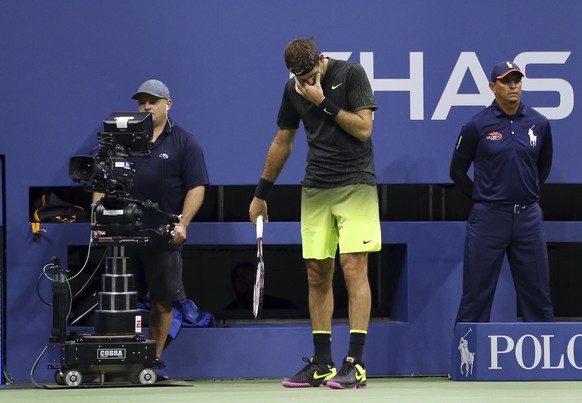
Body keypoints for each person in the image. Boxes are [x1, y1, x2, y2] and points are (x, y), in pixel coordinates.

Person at [248, 38, 381, 389]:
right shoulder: (292, 89)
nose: (306, 83)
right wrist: (261, 194)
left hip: (356, 183)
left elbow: (364, 129)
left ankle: (356, 363)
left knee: (353, 267)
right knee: (316, 273)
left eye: (311, 75)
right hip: (316, 189)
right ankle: (322, 362)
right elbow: (283, 141)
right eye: (300, 78)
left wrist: (322, 101)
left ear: (321, 61)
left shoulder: (351, 74)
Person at [94, 79, 209, 380]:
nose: (145, 107)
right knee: (121, 301)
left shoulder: (185, 142)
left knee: (162, 302)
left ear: (167, 104)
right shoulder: (119, 141)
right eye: (142, 102)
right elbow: (100, 183)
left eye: (152, 101)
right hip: (122, 236)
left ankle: (151, 363)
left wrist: (183, 223)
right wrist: (98, 218)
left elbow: (197, 187)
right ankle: (117, 364)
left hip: (163, 236)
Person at [450, 61, 555, 323]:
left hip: (528, 219)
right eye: (506, 81)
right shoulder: (476, 126)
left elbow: (543, 167)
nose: (513, 86)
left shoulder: (539, 123)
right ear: (492, 87)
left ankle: (543, 362)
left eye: (517, 81)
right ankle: (466, 365)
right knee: (476, 297)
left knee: (538, 297)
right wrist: (483, 197)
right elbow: (457, 172)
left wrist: (526, 194)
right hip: (488, 219)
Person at [223, 261, 296, 312]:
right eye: (244, 282)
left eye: (255, 282)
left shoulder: (283, 307)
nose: (251, 287)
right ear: (234, 285)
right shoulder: (226, 315)